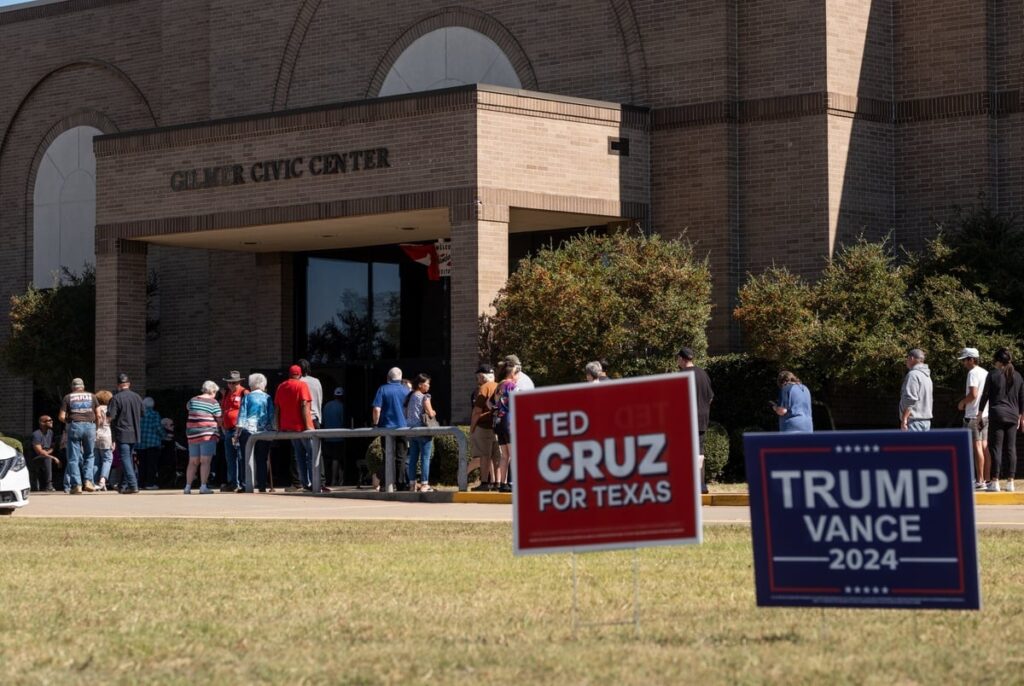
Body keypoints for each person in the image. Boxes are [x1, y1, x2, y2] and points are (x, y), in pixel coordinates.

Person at [978, 348, 1024, 493]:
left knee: (995, 448)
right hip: (1013, 415)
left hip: (997, 414)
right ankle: (1010, 482)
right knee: (1011, 448)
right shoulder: (1018, 376)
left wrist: (979, 413)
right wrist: (1021, 416)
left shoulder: (993, 374)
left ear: (998, 361)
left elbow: (985, 395)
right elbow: (1022, 398)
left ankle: (995, 481)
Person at [677, 347, 714, 494]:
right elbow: (710, 397)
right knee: (699, 452)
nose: (677, 361)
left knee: (684, 451)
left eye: (678, 358)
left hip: (687, 419)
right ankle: (701, 484)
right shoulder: (703, 374)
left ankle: (687, 484)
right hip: (702, 418)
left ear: (683, 359)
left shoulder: (682, 375)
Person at [275, 364, 314, 490]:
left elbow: (277, 408)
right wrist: (308, 425)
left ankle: (305, 482)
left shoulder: (281, 386)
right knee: (312, 454)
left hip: (288, 427)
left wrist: (278, 426)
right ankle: (315, 482)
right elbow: (304, 405)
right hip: (301, 426)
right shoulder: (302, 385)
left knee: (299, 455)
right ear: (300, 374)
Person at [371, 367, 411, 491]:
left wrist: (375, 424)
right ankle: (401, 484)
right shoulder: (406, 391)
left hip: (386, 428)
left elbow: (377, 409)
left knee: (388, 456)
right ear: (400, 377)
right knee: (401, 456)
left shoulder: (382, 389)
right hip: (403, 427)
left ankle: (387, 483)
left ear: (388, 377)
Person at [58, 377, 99, 494]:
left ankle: (76, 485)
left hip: (74, 426)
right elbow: (98, 415)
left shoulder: (68, 397)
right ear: (83, 387)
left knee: (73, 457)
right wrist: (96, 428)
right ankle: (89, 481)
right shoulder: (92, 396)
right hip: (90, 426)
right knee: (89, 455)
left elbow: (61, 416)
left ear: (72, 387)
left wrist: (69, 422)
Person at [957, 347, 990, 490]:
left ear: (971, 359)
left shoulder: (972, 373)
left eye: (965, 360)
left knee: (976, 447)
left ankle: (980, 480)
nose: (964, 363)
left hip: (972, 415)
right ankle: (988, 479)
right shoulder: (986, 372)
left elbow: (973, 394)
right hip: (985, 414)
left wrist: (962, 403)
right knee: (984, 446)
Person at [106, 372, 144, 494]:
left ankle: (133, 485)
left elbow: (111, 416)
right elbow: (143, 413)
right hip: (135, 432)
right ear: (129, 384)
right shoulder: (137, 397)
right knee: (128, 459)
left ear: (118, 385)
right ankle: (124, 485)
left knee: (125, 459)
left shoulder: (116, 398)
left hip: (122, 432)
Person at [237, 373, 274, 493]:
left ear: (251, 384)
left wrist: (238, 431)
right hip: (264, 430)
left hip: (248, 430)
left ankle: (245, 484)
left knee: (246, 458)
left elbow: (242, 414)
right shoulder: (267, 397)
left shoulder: (247, 397)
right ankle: (262, 485)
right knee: (262, 459)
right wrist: (273, 429)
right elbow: (271, 415)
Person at [184, 381, 222, 494]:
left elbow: (188, 408)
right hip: (207, 433)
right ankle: (203, 486)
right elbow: (219, 418)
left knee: (192, 461)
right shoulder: (213, 402)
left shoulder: (192, 400)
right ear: (212, 391)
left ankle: (187, 487)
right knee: (205, 461)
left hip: (192, 433)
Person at [298, 359, 328, 492]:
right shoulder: (316, 381)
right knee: (317, 452)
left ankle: (305, 482)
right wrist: (319, 418)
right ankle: (320, 481)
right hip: (315, 418)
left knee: (301, 453)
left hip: (303, 419)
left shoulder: (298, 383)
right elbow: (320, 399)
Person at [404, 373, 437, 492]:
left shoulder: (410, 397)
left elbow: (406, 413)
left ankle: (412, 484)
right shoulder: (424, 397)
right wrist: (433, 412)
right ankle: (424, 484)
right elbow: (430, 413)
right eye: (427, 384)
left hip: (411, 432)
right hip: (423, 431)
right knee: (425, 458)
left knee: (413, 458)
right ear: (420, 385)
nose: (428, 386)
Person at [470, 364, 500, 491]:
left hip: (484, 427)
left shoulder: (484, 388)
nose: (478, 379)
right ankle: (498, 483)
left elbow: (477, 411)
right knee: (497, 456)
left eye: (478, 377)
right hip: (498, 427)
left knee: (484, 456)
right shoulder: (500, 386)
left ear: (482, 376)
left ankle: (484, 483)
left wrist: (472, 427)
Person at [491, 360, 519, 493]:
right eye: (516, 373)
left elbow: (489, 403)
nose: (518, 376)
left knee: (505, 455)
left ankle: (502, 484)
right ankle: (512, 483)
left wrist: (498, 408)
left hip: (499, 421)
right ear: (512, 373)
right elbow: (519, 401)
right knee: (514, 454)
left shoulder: (499, 386)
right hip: (509, 420)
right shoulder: (511, 385)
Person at [219, 370, 249, 492]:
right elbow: (224, 409)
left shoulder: (244, 393)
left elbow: (248, 410)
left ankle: (243, 483)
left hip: (240, 430)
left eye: (233, 383)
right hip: (228, 430)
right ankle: (233, 483)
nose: (231, 385)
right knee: (230, 457)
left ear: (239, 382)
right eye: (229, 383)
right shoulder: (226, 393)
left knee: (241, 457)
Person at [899, 348, 933, 431]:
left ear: (911, 358)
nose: (906, 361)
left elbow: (910, 399)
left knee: (910, 444)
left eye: (907, 359)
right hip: (926, 422)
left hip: (914, 422)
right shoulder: (927, 376)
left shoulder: (913, 375)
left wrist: (904, 419)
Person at [322, 386, 347, 487]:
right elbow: (343, 422)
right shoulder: (342, 406)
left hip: (327, 437)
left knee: (328, 459)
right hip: (339, 437)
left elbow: (323, 421)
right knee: (337, 459)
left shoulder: (327, 405)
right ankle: (334, 480)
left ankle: (329, 479)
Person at [138, 397, 163, 490]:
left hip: (140, 443)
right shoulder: (155, 414)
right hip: (153, 442)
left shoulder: (139, 414)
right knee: (151, 464)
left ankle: (140, 483)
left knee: (142, 464)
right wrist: (164, 435)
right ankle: (150, 483)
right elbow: (157, 427)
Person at [30, 415, 59, 492]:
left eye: (51, 420)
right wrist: (53, 457)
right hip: (36, 458)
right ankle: (48, 485)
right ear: (42, 423)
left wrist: (48, 453)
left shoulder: (51, 432)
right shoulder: (36, 434)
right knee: (48, 458)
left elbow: (53, 447)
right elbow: (39, 452)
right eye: (49, 420)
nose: (51, 421)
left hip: (46, 454)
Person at [93, 390, 114, 491]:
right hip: (107, 435)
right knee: (107, 459)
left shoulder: (95, 409)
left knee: (96, 461)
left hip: (95, 435)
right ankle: (102, 481)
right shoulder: (110, 410)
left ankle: (94, 482)